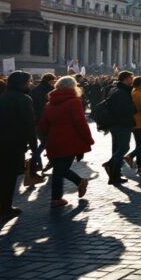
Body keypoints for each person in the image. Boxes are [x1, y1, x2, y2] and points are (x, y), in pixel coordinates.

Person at [38, 76, 93, 207]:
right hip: (70, 139)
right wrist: (88, 139)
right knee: (60, 169)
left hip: (54, 140)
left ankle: (57, 198)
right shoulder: (74, 102)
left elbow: (42, 126)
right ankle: (78, 182)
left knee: (58, 169)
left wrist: (47, 138)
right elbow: (80, 123)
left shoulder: (49, 104)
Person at [0, 71, 36, 221]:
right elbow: (30, 126)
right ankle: (5, 209)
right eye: (28, 81)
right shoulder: (24, 99)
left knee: (0, 175)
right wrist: (34, 148)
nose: (30, 84)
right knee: (9, 177)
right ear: (22, 83)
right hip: (14, 144)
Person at [102, 71, 136, 185]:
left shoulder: (115, 89)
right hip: (122, 124)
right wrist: (134, 108)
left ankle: (115, 175)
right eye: (131, 78)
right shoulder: (122, 92)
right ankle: (110, 165)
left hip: (114, 124)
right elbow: (124, 109)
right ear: (126, 79)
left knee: (116, 148)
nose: (132, 80)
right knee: (124, 148)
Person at [30, 73, 56, 174]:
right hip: (46, 120)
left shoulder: (34, 90)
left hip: (36, 120)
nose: (54, 82)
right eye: (53, 81)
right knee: (46, 143)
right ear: (49, 81)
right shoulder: (50, 91)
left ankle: (41, 162)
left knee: (44, 143)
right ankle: (34, 162)